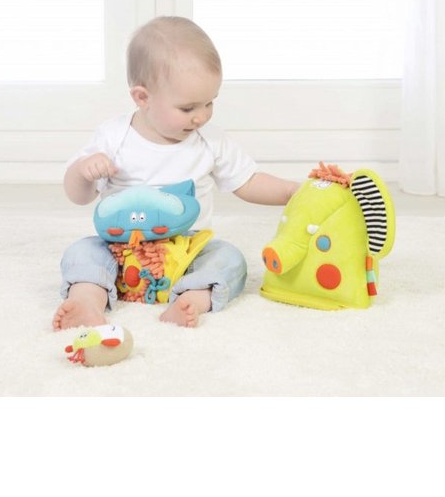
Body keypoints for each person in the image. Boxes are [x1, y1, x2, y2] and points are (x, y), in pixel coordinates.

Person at [53, 16, 299, 330]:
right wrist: (83, 172)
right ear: (143, 98)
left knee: (229, 258)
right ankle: (88, 301)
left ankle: (192, 298)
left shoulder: (210, 141)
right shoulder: (113, 137)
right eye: (188, 108)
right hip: (121, 252)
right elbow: (78, 196)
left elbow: (248, 181)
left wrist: (292, 192)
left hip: (187, 252)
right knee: (83, 252)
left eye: (209, 103)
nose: (201, 117)